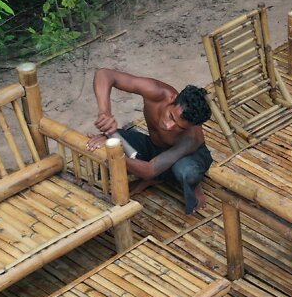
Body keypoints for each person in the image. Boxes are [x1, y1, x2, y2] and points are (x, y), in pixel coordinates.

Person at [86, 69, 213, 215]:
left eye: (180, 127)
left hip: (186, 157)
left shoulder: (191, 139)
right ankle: (161, 176)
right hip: (154, 147)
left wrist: (115, 153)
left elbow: (149, 170)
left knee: (186, 171)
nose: (169, 126)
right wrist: (105, 113)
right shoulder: (158, 92)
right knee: (110, 138)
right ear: (172, 99)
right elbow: (105, 74)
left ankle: (191, 183)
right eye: (171, 116)